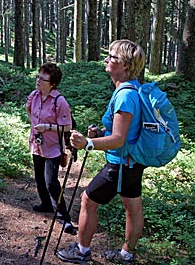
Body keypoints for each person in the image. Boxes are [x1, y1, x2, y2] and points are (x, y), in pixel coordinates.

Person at [56, 39, 146, 265]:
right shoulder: (131, 90)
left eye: (112, 57)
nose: (107, 60)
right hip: (132, 162)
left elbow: (118, 139)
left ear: (125, 65)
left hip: (120, 164)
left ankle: (82, 251)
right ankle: (126, 255)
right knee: (132, 207)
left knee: (87, 201)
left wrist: (87, 143)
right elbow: (120, 131)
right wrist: (99, 132)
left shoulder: (125, 95)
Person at [26, 62, 75, 234]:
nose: (38, 81)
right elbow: (30, 113)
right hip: (37, 145)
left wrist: (47, 127)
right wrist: (35, 131)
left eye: (43, 79)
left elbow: (67, 126)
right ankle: (46, 204)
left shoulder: (59, 101)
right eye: (38, 77)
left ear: (52, 83)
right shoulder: (34, 96)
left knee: (51, 182)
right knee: (39, 179)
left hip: (53, 148)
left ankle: (64, 217)